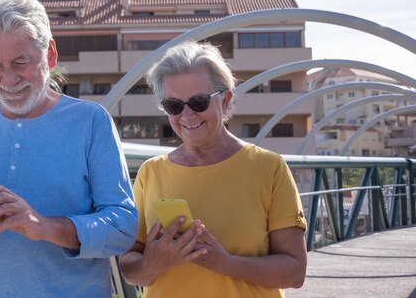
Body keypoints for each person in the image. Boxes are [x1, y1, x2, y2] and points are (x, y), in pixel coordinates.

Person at [0, 0, 138, 298]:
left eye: (20, 62)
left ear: (50, 55)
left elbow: (124, 226)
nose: (8, 79)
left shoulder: (91, 122)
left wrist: (45, 227)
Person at [119, 40, 307, 298]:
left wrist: (226, 263)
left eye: (198, 102)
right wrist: (154, 263)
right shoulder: (150, 172)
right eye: (173, 105)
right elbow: (129, 269)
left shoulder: (269, 168)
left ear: (226, 100)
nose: (187, 116)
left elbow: (295, 273)